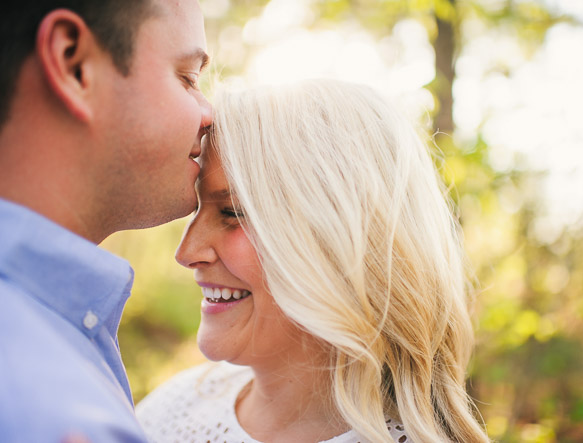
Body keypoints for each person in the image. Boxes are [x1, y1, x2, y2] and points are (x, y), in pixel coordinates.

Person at [137, 80, 489, 443]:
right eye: (196, 210)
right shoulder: (173, 410)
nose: (187, 252)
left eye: (232, 212)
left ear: (339, 238)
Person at [0, 0, 211, 441]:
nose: (208, 113)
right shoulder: (53, 414)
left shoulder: (59, 334)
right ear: (73, 64)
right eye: (188, 78)